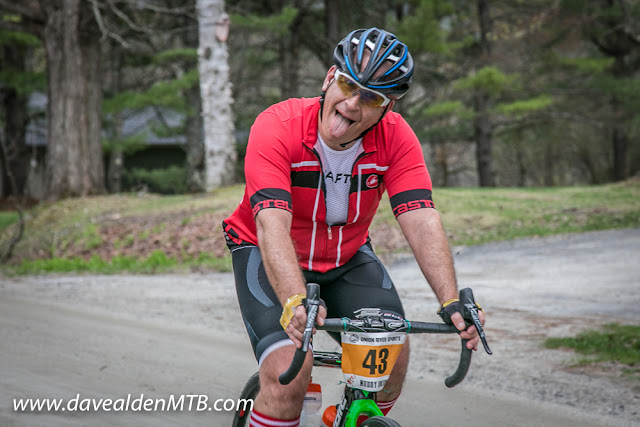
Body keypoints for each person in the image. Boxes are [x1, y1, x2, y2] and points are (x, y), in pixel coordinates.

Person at [223, 27, 485, 427]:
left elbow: (420, 217)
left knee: (391, 358)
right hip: (267, 251)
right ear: (330, 77)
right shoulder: (278, 125)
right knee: (288, 373)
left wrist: (450, 300)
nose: (351, 103)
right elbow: (271, 222)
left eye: (371, 97)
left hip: (344, 257)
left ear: (388, 107)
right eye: (347, 84)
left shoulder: (396, 139)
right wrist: (294, 301)